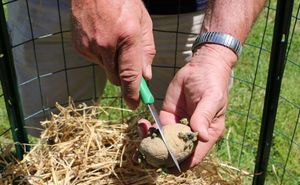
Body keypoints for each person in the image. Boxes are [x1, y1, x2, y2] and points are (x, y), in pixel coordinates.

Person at [7, 0, 266, 171]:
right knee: (55, 132)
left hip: (187, 9)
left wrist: (216, 54)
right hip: (51, 6)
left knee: (185, 139)